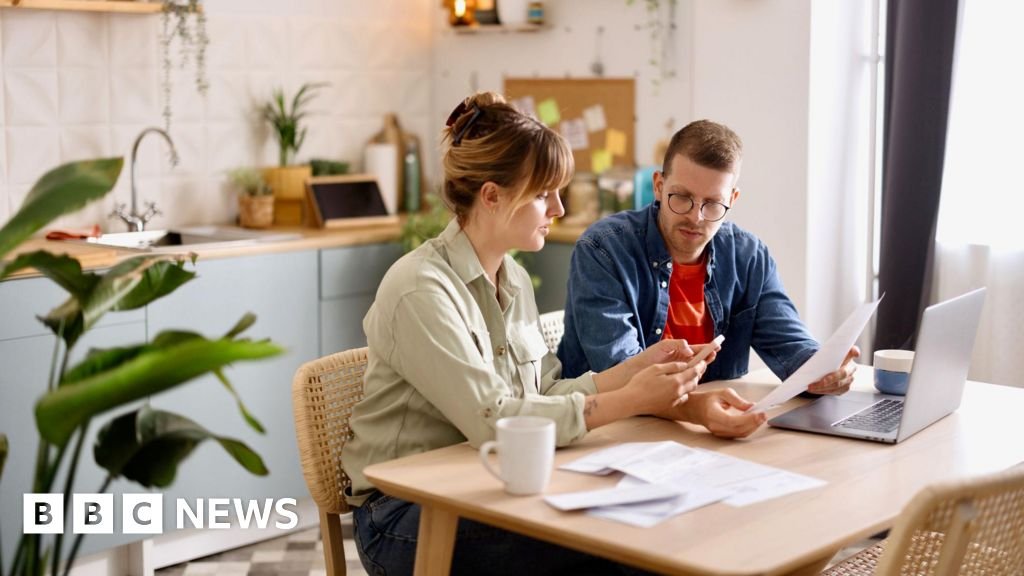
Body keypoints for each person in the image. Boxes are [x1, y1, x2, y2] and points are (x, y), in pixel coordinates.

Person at [341, 93, 716, 576]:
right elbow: (494, 420)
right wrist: (631, 400)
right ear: (492, 195)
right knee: (615, 547)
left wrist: (630, 372)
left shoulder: (513, 279)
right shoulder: (420, 288)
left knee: (645, 525)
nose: (558, 208)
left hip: (487, 481)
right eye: (544, 193)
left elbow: (541, 394)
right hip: (404, 514)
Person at [557, 119, 859, 439]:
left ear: (733, 199)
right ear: (659, 185)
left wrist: (825, 371)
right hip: (607, 432)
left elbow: (793, 349)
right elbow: (622, 374)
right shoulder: (604, 249)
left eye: (712, 204)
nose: (695, 216)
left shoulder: (748, 256)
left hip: (704, 433)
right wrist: (697, 409)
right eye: (681, 197)